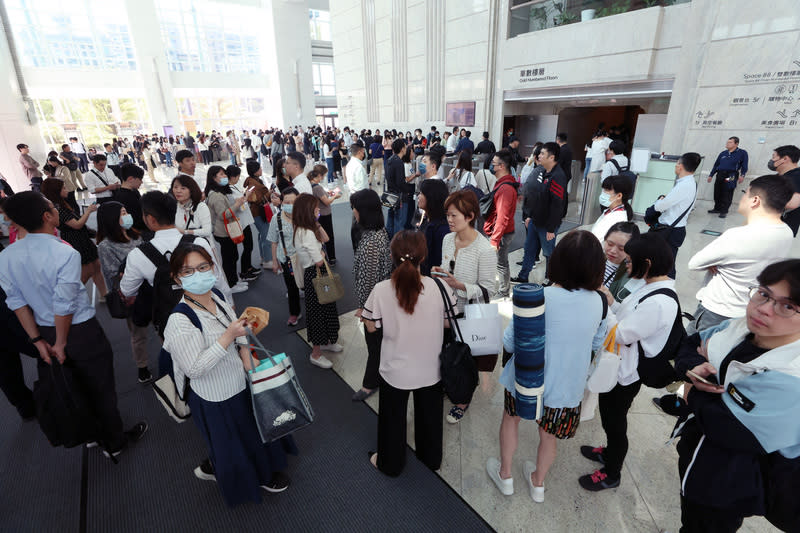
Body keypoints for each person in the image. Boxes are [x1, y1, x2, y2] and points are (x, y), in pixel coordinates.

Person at [0, 191, 147, 458]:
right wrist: (61, 342)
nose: (56, 210)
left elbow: (17, 302)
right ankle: (114, 443)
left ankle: (90, 434)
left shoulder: (8, 256)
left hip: (43, 330)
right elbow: (64, 303)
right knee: (100, 386)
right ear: (47, 216)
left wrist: (38, 341)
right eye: (51, 207)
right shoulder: (63, 252)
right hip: (78, 332)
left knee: (73, 383)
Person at [162, 244, 296, 505]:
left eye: (203, 267)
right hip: (216, 397)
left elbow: (236, 335)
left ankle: (232, 466)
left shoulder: (217, 297)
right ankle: (247, 476)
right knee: (233, 443)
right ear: (177, 277)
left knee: (248, 433)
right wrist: (228, 336)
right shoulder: (179, 320)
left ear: (213, 268)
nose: (198, 275)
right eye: (188, 271)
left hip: (239, 382)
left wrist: (247, 358)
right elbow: (195, 369)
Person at [672, 260, 800, 531]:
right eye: (764, 294)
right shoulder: (739, 328)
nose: (764, 309)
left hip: (730, 483)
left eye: (787, 306)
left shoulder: (793, 376)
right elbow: (690, 344)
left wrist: (692, 391)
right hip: (697, 449)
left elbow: (731, 429)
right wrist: (691, 369)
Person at [488, 230, 607, 502]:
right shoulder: (600, 303)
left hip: (526, 378)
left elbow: (509, 341)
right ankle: (538, 483)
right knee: (549, 436)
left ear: (558, 261)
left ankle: (505, 475)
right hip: (567, 385)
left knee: (511, 420)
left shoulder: (537, 296)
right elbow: (597, 343)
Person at [579, 233, 677, 492]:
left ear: (647, 262)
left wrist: (606, 305)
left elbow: (621, 333)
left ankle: (612, 472)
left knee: (614, 422)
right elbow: (627, 315)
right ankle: (609, 452)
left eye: (631, 260)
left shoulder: (658, 302)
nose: (627, 264)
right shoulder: (652, 286)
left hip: (626, 373)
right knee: (611, 416)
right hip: (624, 364)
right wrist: (612, 303)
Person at [362, 230, 454, 476]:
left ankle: (390, 463)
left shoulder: (381, 290)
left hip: (395, 370)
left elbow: (371, 326)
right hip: (431, 368)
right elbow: (450, 322)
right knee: (431, 417)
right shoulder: (439, 286)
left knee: (392, 419)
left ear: (392, 257)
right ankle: (431, 458)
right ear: (422, 257)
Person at [686, 174, 794, 333]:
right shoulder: (786, 232)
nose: (742, 197)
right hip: (747, 309)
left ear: (755, 200)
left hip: (718, 310)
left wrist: (715, 263)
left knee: (693, 351)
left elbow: (694, 263)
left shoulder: (737, 235)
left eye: (745, 192)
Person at [433, 190, 497, 423]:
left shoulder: (484, 248)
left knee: (464, 358)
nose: (449, 220)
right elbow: (445, 266)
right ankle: (447, 384)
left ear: (470, 216)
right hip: (446, 308)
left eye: (454, 215)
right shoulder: (447, 239)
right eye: (448, 215)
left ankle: (462, 399)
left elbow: (489, 289)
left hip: (469, 314)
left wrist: (459, 285)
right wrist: (440, 274)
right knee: (445, 351)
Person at [120, 190, 232, 321]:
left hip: (170, 318)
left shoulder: (138, 255)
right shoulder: (199, 242)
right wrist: (229, 304)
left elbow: (127, 291)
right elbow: (217, 279)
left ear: (150, 219)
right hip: (208, 311)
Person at [95, 201, 151, 383]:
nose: (127, 216)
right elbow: (112, 274)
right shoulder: (105, 246)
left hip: (149, 289)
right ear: (111, 219)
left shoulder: (136, 236)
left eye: (126, 211)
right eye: (122, 213)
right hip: (131, 296)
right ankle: (142, 367)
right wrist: (134, 267)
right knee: (138, 334)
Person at [350, 189, 393, 402]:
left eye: (354, 209)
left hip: (374, 307)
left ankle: (370, 383)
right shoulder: (378, 232)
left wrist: (365, 311)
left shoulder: (371, 242)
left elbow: (370, 281)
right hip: (378, 303)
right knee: (377, 344)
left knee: (374, 345)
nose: (353, 212)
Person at [292, 193, 341, 368]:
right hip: (315, 274)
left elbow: (326, 239)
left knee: (326, 307)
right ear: (308, 211)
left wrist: (317, 222)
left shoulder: (306, 228)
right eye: (315, 208)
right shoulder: (306, 233)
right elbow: (319, 260)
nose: (319, 209)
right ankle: (316, 353)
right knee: (318, 314)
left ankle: (327, 342)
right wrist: (320, 253)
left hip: (316, 273)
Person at [40, 178, 107, 297]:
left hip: (82, 238)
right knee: (86, 271)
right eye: (64, 188)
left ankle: (105, 295)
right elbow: (77, 225)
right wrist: (89, 211)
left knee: (96, 267)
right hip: (76, 241)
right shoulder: (58, 209)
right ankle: (70, 297)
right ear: (56, 191)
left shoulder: (63, 204)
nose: (67, 190)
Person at [512, 142, 565, 284]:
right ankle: (523, 276)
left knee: (549, 253)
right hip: (535, 220)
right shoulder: (543, 171)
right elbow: (538, 198)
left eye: (542, 154)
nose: (539, 156)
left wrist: (551, 228)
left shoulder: (558, 176)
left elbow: (557, 205)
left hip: (547, 224)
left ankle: (550, 279)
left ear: (552, 157)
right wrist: (530, 216)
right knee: (529, 249)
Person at [204, 166, 252, 293]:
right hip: (223, 231)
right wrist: (237, 204)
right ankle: (231, 284)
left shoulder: (217, 192)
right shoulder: (216, 196)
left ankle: (234, 279)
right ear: (213, 178)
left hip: (224, 230)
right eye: (221, 174)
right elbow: (223, 215)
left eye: (224, 174)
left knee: (232, 255)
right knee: (229, 257)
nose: (225, 176)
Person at [653, 152, 700, 279]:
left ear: (681, 165)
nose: (675, 166)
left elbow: (660, 206)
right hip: (676, 228)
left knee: (667, 264)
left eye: (677, 163)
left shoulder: (684, 185)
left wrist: (658, 201)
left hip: (670, 230)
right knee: (665, 261)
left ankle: (667, 289)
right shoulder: (691, 183)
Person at [484, 149, 519, 297]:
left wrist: (494, 240)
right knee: (500, 262)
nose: (491, 166)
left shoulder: (505, 189)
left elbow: (502, 218)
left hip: (502, 234)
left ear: (502, 166)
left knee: (501, 263)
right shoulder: (504, 184)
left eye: (493, 164)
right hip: (501, 232)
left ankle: (504, 291)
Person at [268, 187, 302, 326]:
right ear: (282, 202)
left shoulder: (304, 215)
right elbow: (274, 241)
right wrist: (275, 261)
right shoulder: (276, 219)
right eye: (286, 202)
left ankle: (315, 312)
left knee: (311, 287)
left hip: (305, 258)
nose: (289, 205)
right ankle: (294, 313)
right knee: (292, 288)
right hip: (287, 259)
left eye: (293, 202)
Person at [226, 165, 260, 282]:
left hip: (244, 221)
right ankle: (245, 271)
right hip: (241, 222)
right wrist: (246, 196)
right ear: (234, 176)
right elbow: (239, 206)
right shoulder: (229, 190)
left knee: (249, 246)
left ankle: (249, 267)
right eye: (238, 176)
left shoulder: (232, 188)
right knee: (248, 246)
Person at [708, 136, 749, 218]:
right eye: (727, 142)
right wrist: (711, 175)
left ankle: (724, 211)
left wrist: (742, 175)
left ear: (736, 144)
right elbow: (716, 165)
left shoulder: (742, 153)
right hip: (720, 174)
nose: (727, 143)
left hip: (731, 175)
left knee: (727, 192)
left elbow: (745, 165)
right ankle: (717, 208)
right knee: (717, 191)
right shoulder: (723, 153)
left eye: (730, 142)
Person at [309, 165, 342, 265]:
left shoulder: (311, 184)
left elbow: (321, 196)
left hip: (319, 214)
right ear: (319, 175)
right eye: (323, 176)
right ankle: (331, 258)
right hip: (324, 214)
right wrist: (335, 196)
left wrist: (328, 193)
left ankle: (326, 256)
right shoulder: (317, 187)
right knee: (328, 236)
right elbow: (326, 202)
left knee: (322, 235)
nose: (323, 178)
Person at [243, 161, 273, 269]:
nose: (261, 169)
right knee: (266, 236)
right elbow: (258, 199)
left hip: (257, 212)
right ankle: (268, 260)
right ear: (255, 172)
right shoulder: (254, 184)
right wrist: (269, 193)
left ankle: (263, 257)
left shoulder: (254, 181)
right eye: (259, 168)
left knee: (261, 235)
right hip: (258, 212)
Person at [418, 179, 450, 276]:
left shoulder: (442, 229)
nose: (418, 196)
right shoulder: (427, 219)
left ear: (431, 197)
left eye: (421, 193)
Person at [591, 175, 633, 243]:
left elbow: (598, 242)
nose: (603, 193)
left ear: (619, 196)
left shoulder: (618, 219)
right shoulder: (610, 211)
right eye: (603, 189)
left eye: (607, 190)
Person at [771, 145, 800, 235]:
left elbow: (793, 203)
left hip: (781, 228)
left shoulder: (796, 176)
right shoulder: (782, 176)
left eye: (773, 157)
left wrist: (763, 199)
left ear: (785, 159)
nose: (771, 160)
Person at [385, 138, 410, 240]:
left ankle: (389, 241)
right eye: (405, 146)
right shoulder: (399, 162)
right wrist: (407, 191)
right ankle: (397, 244)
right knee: (399, 221)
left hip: (390, 194)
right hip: (399, 196)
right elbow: (400, 182)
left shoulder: (390, 159)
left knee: (391, 219)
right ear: (402, 149)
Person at [115, 164, 147, 236]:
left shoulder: (134, 191)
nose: (141, 182)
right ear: (130, 179)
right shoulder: (123, 197)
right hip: (136, 232)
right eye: (140, 179)